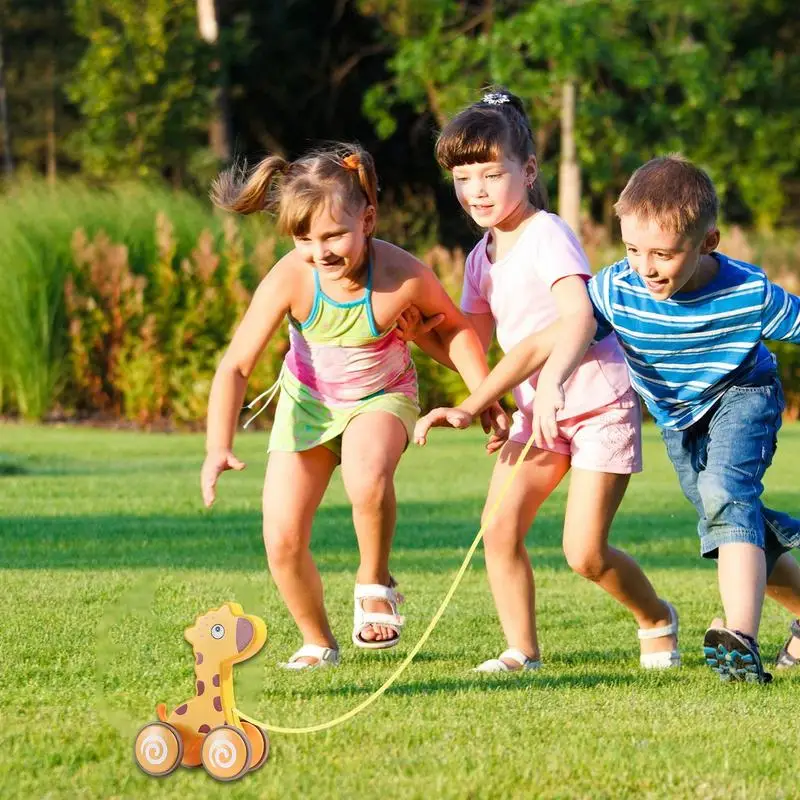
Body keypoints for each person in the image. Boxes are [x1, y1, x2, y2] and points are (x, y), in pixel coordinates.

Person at [417, 154, 800, 683]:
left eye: (663, 254)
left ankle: (740, 637)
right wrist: (472, 402)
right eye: (634, 250)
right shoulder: (618, 288)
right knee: (727, 518)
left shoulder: (747, 291)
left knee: (726, 499)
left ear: (708, 242)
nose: (646, 268)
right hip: (678, 416)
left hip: (743, 394)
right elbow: (538, 346)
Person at [200, 143, 501, 670]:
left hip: (382, 398)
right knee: (282, 539)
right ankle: (318, 641)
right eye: (304, 239)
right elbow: (235, 366)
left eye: (335, 234)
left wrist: (485, 398)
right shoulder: (293, 277)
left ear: (367, 218)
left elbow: (455, 332)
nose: (321, 252)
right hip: (308, 407)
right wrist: (217, 446)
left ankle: (374, 579)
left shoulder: (401, 274)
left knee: (366, 476)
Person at [414, 89, 680, 673]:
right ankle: (521, 651)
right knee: (498, 527)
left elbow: (579, 316)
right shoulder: (480, 257)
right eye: (463, 177)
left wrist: (553, 381)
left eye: (491, 173)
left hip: (596, 402)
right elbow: (472, 347)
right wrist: (413, 334)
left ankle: (656, 616)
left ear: (528, 171)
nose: (476, 190)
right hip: (539, 413)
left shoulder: (547, 233)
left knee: (583, 553)